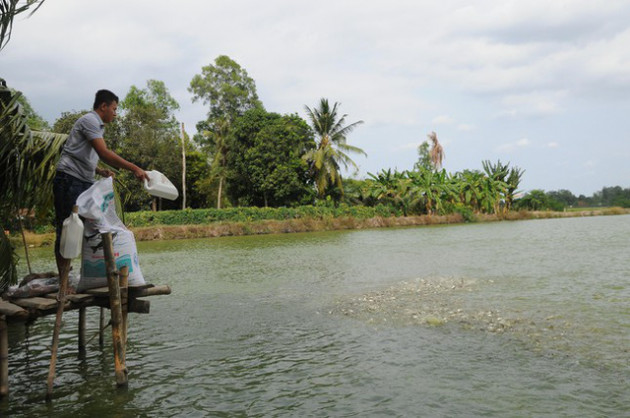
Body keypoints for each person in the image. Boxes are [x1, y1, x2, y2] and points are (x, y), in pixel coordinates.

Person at [53, 89, 149, 275]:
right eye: (114, 108)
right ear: (103, 106)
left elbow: (80, 153)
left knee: (90, 228)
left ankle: (93, 274)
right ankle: (63, 282)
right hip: (69, 180)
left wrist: (99, 170)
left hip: (83, 182)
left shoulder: (96, 126)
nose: (115, 113)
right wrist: (135, 168)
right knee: (67, 229)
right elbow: (104, 153)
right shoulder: (90, 121)